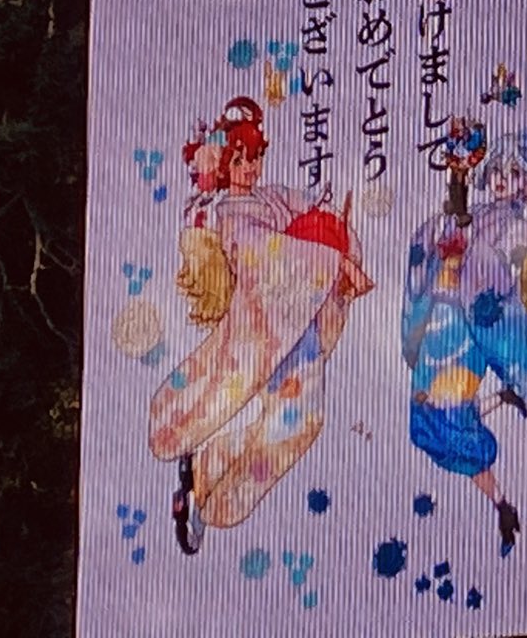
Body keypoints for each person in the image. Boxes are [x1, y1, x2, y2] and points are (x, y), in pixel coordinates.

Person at [148, 97, 371, 554]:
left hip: (299, 324)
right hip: (266, 329)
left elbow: (309, 211)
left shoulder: (270, 196)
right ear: (222, 165)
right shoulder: (229, 216)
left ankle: (207, 473)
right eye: (238, 160)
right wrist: (332, 260)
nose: (249, 168)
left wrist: (331, 231)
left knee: (297, 422)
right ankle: (208, 487)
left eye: (254, 157)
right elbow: (267, 254)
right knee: (284, 415)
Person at [403, 117, 527, 557]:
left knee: (445, 416)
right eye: (499, 170)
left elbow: (497, 274)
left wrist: (465, 250)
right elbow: (447, 233)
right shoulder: (483, 212)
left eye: (515, 172)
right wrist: (453, 214)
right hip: (441, 315)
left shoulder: (515, 226)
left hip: (468, 327)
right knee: (430, 413)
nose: (503, 179)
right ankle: (502, 490)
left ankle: (501, 502)